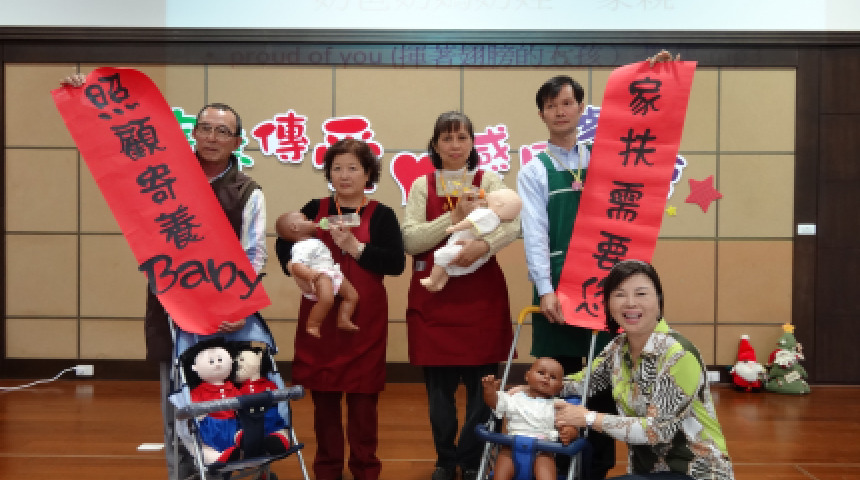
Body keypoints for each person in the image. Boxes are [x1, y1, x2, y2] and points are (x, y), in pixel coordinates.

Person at [61, 74, 266, 480]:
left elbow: (253, 254)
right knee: (177, 400)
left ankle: (223, 472)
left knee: (224, 401)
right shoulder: (163, 176)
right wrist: (87, 93)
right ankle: (183, 475)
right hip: (172, 308)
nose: (211, 137)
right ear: (193, 133)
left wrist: (238, 307)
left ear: (237, 141)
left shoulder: (247, 191)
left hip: (226, 315)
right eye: (204, 128)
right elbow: (116, 145)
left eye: (222, 131)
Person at [517, 50, 679, 479]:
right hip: (558, 289)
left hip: (606, 288)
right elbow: (534, 233)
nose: (560, 111)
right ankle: (554, 463)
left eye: (567, 102)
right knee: (557, 380)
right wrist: (545, 289)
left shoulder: (607, 157)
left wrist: (655, 73)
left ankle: (599, 468)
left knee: (606, 379)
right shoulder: (534, 169)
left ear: (581, 108)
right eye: (551, 105)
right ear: (541, 114)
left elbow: (644, 126)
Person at [274, 138, 405, 480]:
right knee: (324, 398)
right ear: (329, 174)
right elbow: (284, 241)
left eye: (353, 168)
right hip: (321, 315)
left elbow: (395, 263)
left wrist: (357, 248)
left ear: (368, 173)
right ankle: (328, 468)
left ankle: (365, 468)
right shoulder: (313, 208)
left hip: (364, 315)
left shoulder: (382, 214)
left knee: (363, 400)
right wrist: (294, 269)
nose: (344, 175)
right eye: (337, 168)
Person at [402, 111, 520, 480]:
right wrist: (455, 219)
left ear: (472, 143)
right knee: (439, 390)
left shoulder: (490, 179)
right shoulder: (422, 184)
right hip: (434, 299)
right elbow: (411, 240)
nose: (455, 145)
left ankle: (471, 460)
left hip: (480, 297)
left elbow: (513, 223)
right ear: (435, 145)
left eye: (462, 137)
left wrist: (483, 246)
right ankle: (444, 459)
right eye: (447, 138)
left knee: (481, 387)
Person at [553, 260, 735, 480]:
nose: (630, 303)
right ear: (608, 304)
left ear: (659, 301)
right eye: (619, 295)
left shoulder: (679, 354)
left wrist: (588, 418)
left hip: (696, 473)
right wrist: (531, 388)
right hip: (647, 473)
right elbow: (582, 383)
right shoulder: (617, 348)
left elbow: (656, 430)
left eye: (641, 294)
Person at [481, 357, 577, 480]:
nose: (546, 377)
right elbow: (495, 403)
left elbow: (570, 423)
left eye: (553, 377)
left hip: (543, 449)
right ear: (527, 376)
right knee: (502, 466)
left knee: (546, 468)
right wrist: (489, 391)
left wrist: (569, 432)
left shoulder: (558, 405)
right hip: (512, 446)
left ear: (560, 388)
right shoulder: (514, 397)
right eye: (541, 373)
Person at [275, 210, 360, 337]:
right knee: (327, 300)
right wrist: (310, 275)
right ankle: (313, 324)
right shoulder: (300, 246)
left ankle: (343, 319)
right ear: (294, 227)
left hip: (332, 272)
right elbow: (297, 265)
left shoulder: (312, 241)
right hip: (320, 275)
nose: (312, 221)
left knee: (352, 296)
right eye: (307, 220)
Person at [420, 188, 522, 292]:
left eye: (496, 193)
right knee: (449, 265)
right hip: (477, 258)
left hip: (463, 247)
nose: (490, 192)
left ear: (498, 204)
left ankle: (433, 280)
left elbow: (469, 222)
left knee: (442, 255)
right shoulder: (496, 220)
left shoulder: (487, 213)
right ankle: (441, 282)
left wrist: (454, 228)